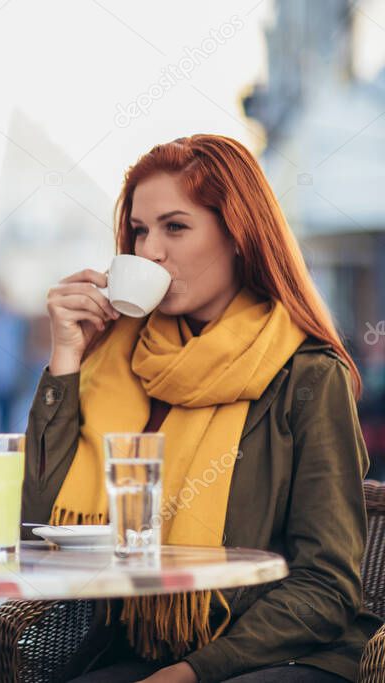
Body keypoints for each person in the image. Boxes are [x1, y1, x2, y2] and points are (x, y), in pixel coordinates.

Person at [23, 134, 381, 682]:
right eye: (140, 231)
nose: (148, 252)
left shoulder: (308, 375)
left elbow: (327, 584)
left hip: (284, 656)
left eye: (176, 227)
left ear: (238, 235)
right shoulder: (121, 359)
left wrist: (195, 671)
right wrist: (66, 361)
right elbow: (39, 532)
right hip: (145, 647)